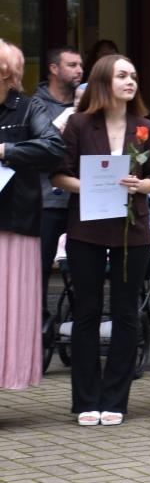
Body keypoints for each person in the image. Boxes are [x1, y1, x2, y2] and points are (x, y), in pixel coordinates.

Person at [51, 55, 150, 425]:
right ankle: (86, 400)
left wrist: (139, 185)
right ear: (103, 81)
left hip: (133, 231)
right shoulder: (79, 124)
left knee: (127, 313)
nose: (130, 82)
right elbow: (59, 175)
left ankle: (115, 399)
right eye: (122, 76)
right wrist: (94, 187)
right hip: (87, 229)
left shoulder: (147, 127)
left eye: (134, 76)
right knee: (87, 312)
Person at [0, 40, 65, 393]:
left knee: (9, 309)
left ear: (4, 72)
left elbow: (54, 147)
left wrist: (6, 150)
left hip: (14, 221)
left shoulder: (29, 108)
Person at [33, 46, 84, 323]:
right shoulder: (34, 106)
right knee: (39, 267)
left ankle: (79, 322)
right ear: (54, 69)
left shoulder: (88, 103)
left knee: (84, 268)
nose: (80, 70)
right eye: (72, 65)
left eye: (81, 65)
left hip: (82, 200)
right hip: (47, 199)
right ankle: (37, 324)